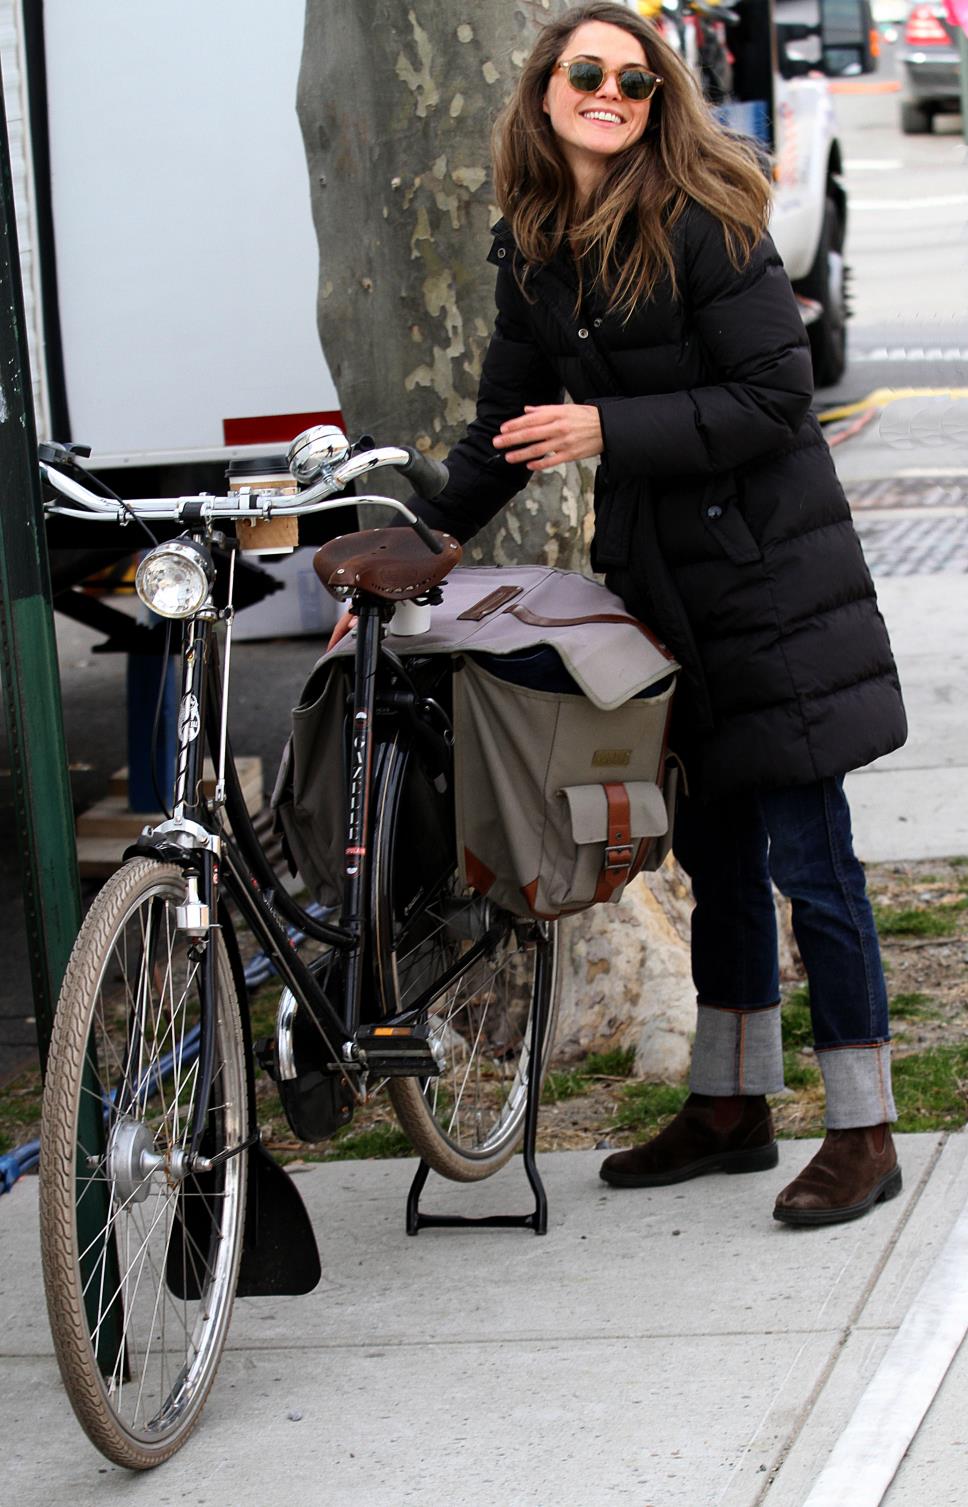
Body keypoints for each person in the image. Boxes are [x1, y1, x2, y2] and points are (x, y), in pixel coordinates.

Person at [331, 2, 907, 1226]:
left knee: (812, 863)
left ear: (658, 104)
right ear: (543, 88)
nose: (607, 93)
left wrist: (607, 429)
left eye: (633, 82)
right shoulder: (537, 240)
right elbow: (503, 426)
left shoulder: (706, 216)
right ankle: (731, 1105)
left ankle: (863, 1128)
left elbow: (772, 396)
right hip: (660, 595)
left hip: (769, 585)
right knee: (712, 853)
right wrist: (423, 547)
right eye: (584, 72)